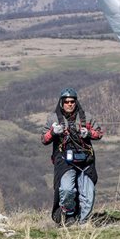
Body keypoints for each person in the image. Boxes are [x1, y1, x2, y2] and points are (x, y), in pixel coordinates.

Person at [41, 87, 104, 226]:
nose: (69, 104)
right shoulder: (53, 118)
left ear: (76, 102)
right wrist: (53, 132)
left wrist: (88, 133)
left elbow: (99, 133)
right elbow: (44, 139)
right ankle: (68, 214)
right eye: (67, 101)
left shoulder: (86, 117)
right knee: (66, 189)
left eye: (72, 101)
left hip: (85, 160)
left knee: (89, 194)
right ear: (61, 102)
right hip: (64, 161)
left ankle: (82, 223)